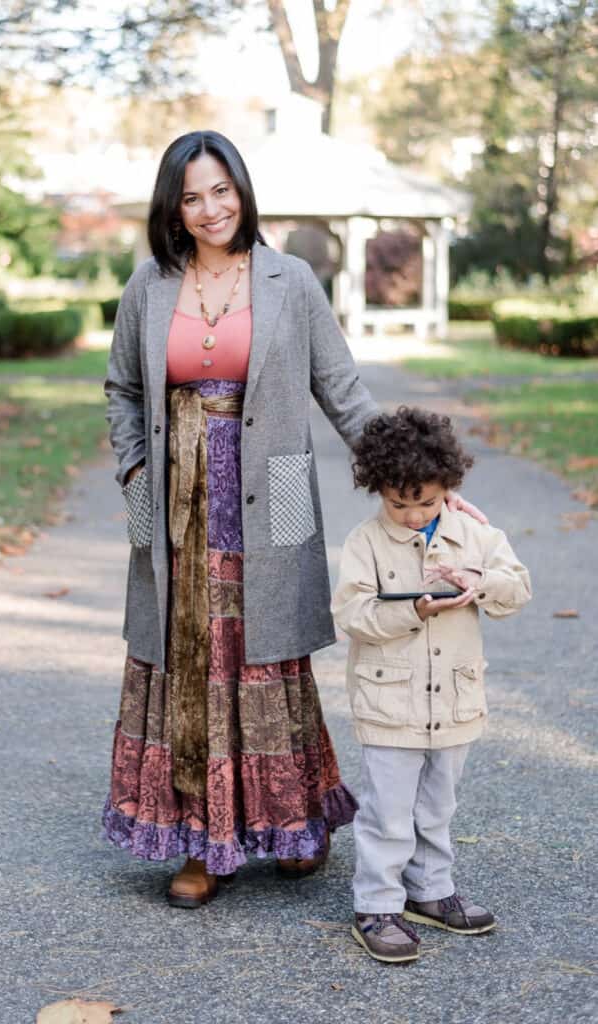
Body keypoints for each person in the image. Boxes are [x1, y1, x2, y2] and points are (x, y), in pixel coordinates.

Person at [102, 130, 484, 910]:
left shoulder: (289, 280)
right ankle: (200, 843)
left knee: (262, 655)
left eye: (221, 190)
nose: (210, 209)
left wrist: (422, 481)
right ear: (171, 208)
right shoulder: (148, 284)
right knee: (185, 660)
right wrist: (136, 468)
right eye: (190, 196)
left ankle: (290, 823)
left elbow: (342, 392)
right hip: (173, 506)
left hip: (266, 493)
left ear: (241, 191)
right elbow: (120, 389)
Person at [331, 406, 531, 963]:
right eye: (399, 503)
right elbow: (353, 613)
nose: (414, 514)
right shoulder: (366, 542)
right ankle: (376, 903)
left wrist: (481, 581)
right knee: (388, 811)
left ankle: (431, 890)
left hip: (455, 700)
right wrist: (412, 610)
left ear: (449, 487)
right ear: (378, 491)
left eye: (427, 501)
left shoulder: (476, 535)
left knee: (437, 805)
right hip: (389, 703)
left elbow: (517, 591)